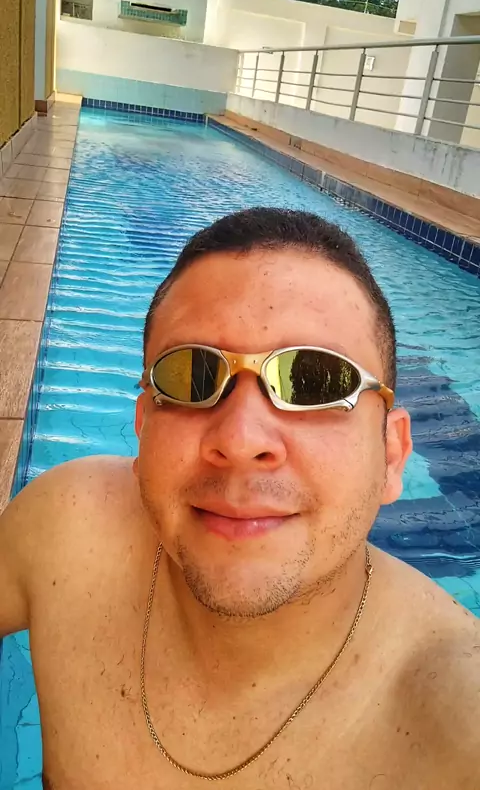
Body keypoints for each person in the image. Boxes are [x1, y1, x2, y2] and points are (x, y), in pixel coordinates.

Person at [1, 208, 479, 790]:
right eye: (192, 375)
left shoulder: (455, 720)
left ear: (392, 455)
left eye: (314, 381)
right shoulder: (67, 528)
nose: (241, 439)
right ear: (142, 426)